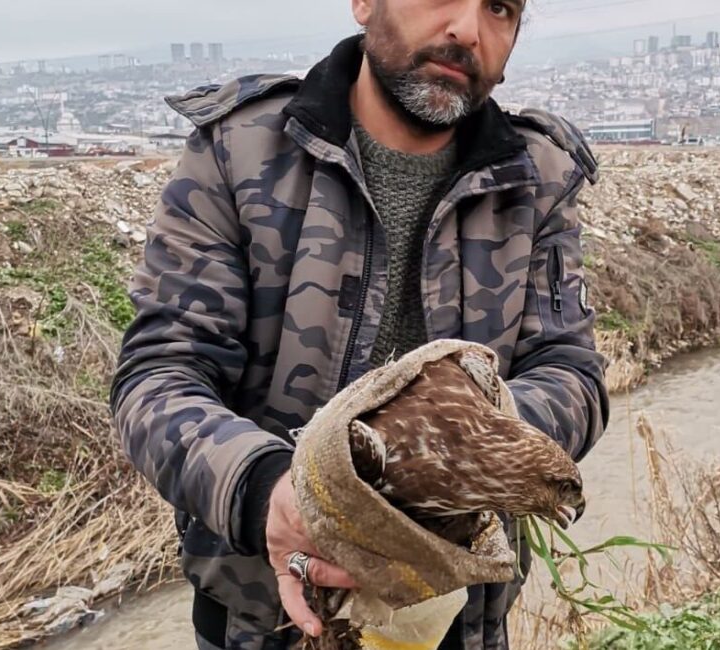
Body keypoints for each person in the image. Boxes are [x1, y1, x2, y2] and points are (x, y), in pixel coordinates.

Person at [109, 0, 609, 648]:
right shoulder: (238, 152)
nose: (466, 29)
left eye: (500, 8)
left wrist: (463, 442)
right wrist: (272, 492)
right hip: (265, 623)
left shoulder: (537, 180)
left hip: (459, 626)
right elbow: (159, 375)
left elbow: (572, 370)